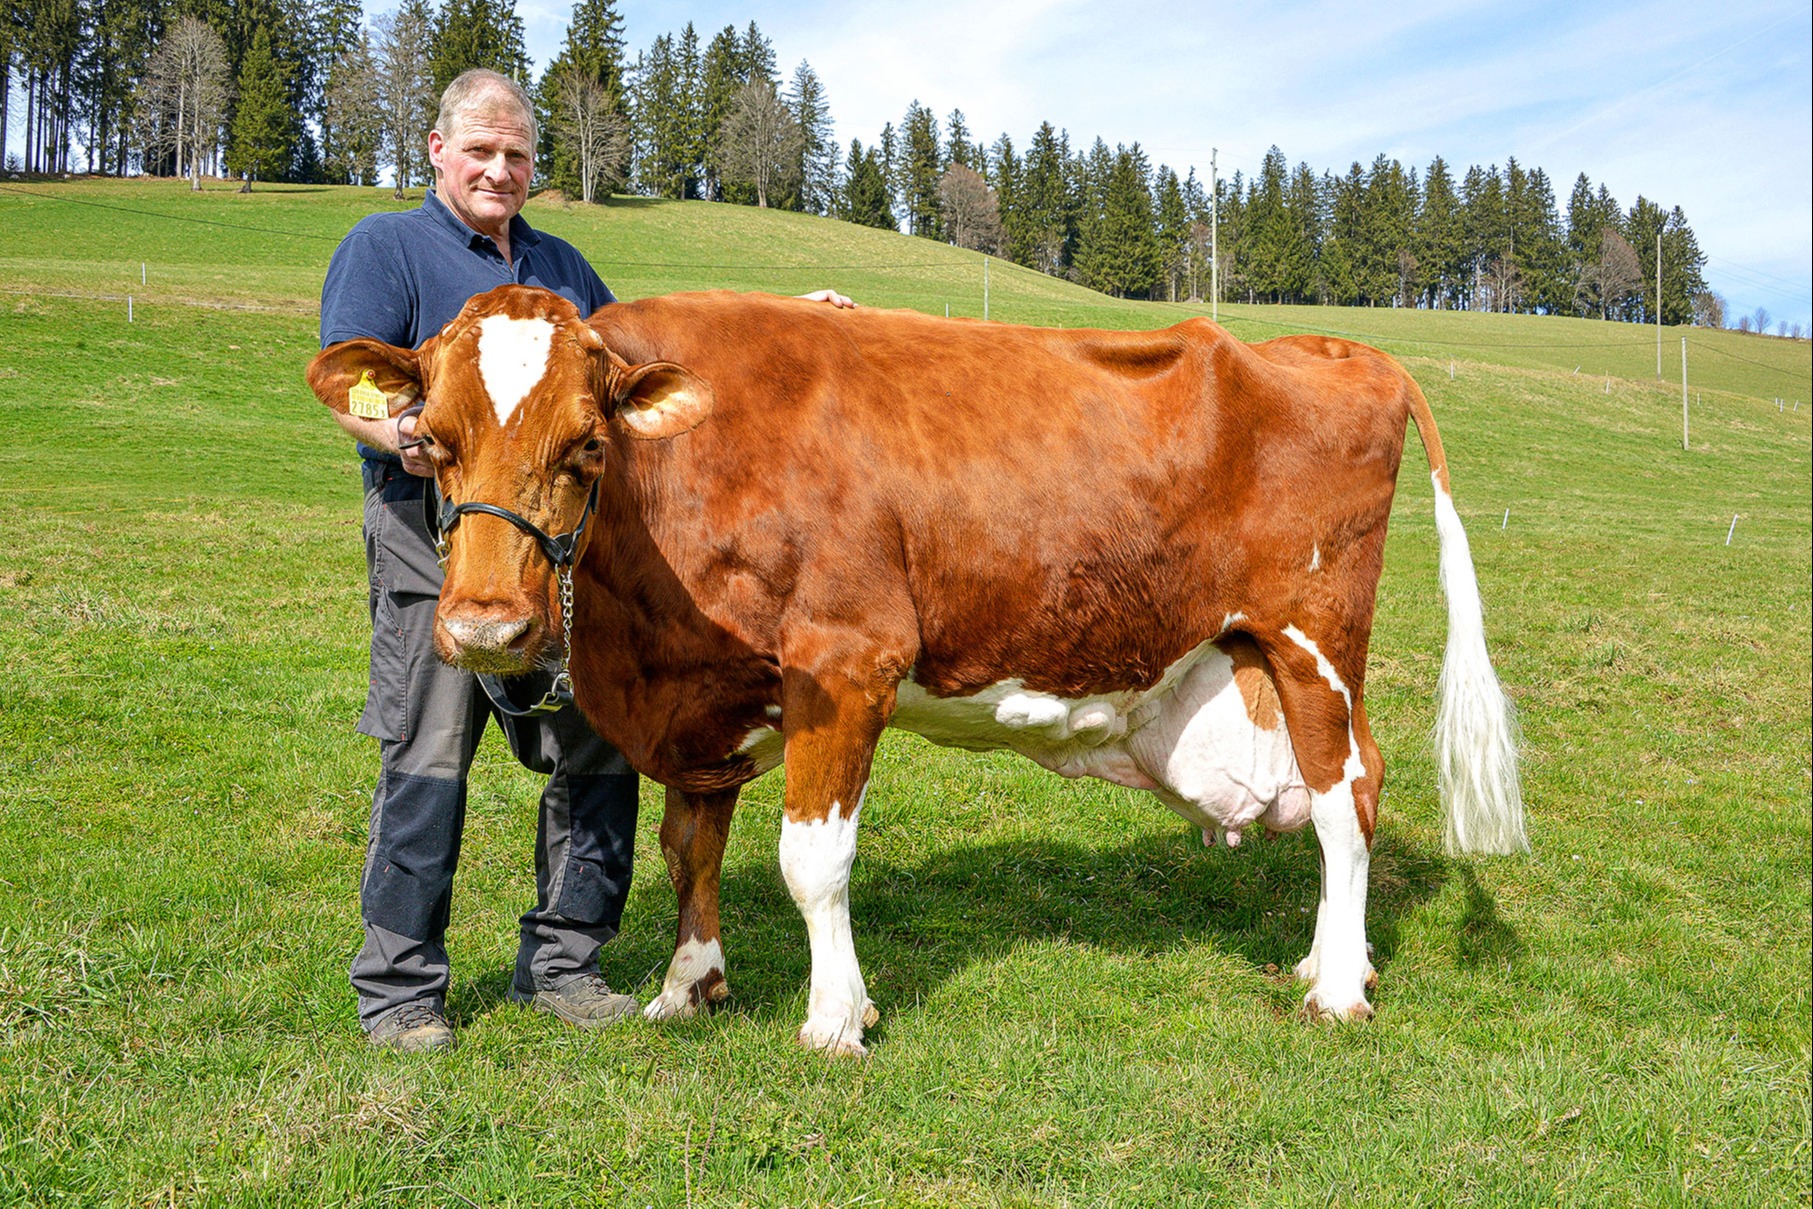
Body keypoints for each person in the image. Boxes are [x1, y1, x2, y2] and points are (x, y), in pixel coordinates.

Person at [319, 68, 851, 1053]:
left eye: (517, 155)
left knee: (596, 754)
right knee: (428, 760)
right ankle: (400, 989)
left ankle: (565, 962)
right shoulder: (386, 249)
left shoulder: (564, 270)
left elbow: (638, 369)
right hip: (436, 552)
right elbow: (356, 380)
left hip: (566, 563)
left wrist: (788, 321)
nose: (499, 170)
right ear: (437, 151)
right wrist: (407, 436)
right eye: (480, 150)